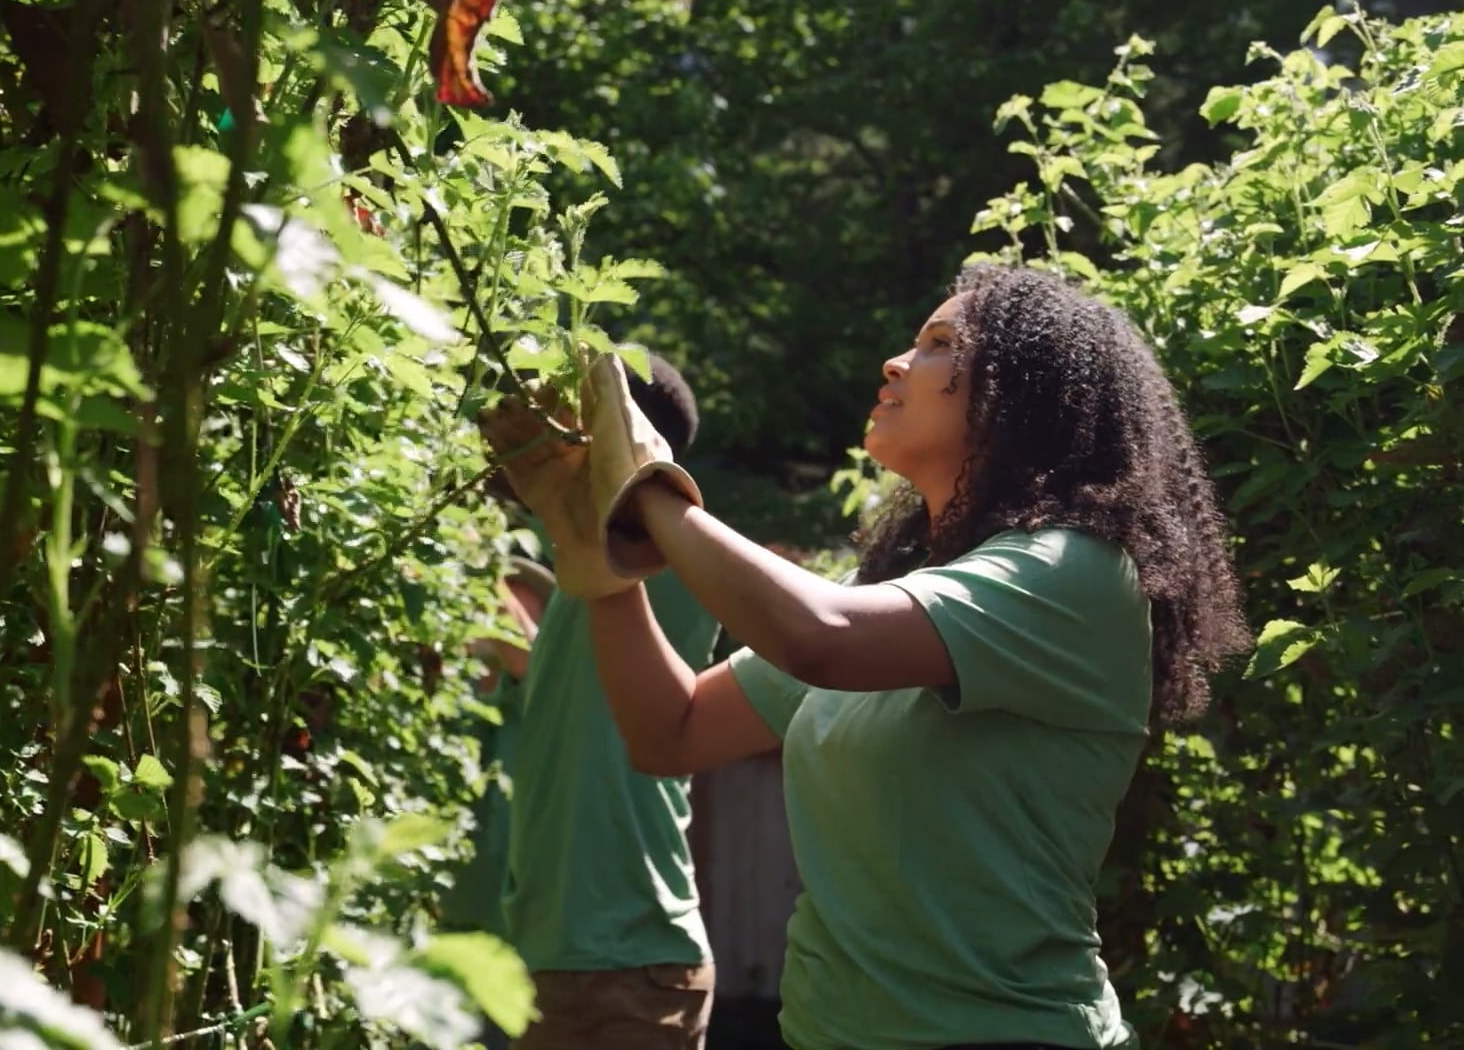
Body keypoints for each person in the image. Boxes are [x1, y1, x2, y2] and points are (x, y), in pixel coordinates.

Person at [481, 265, 1252, 1050]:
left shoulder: (1075, 572)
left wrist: (642, 486)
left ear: (1027, 396)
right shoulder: (892, 589)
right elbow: (669, 732)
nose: (895, 363)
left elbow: (819, 634)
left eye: (939, 346)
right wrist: (593, 556)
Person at [487, 350, 722, 1050]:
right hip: (557, 958)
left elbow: (634, 504)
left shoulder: (666, 555)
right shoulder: (582, 574)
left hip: (628, 959)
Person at [440, 554, 550, 1050]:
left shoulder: (543, 702)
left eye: (520, 611)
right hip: (440, 924)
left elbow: (532, 660)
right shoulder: (447, 700)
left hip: (518, 936)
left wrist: (480, 569)